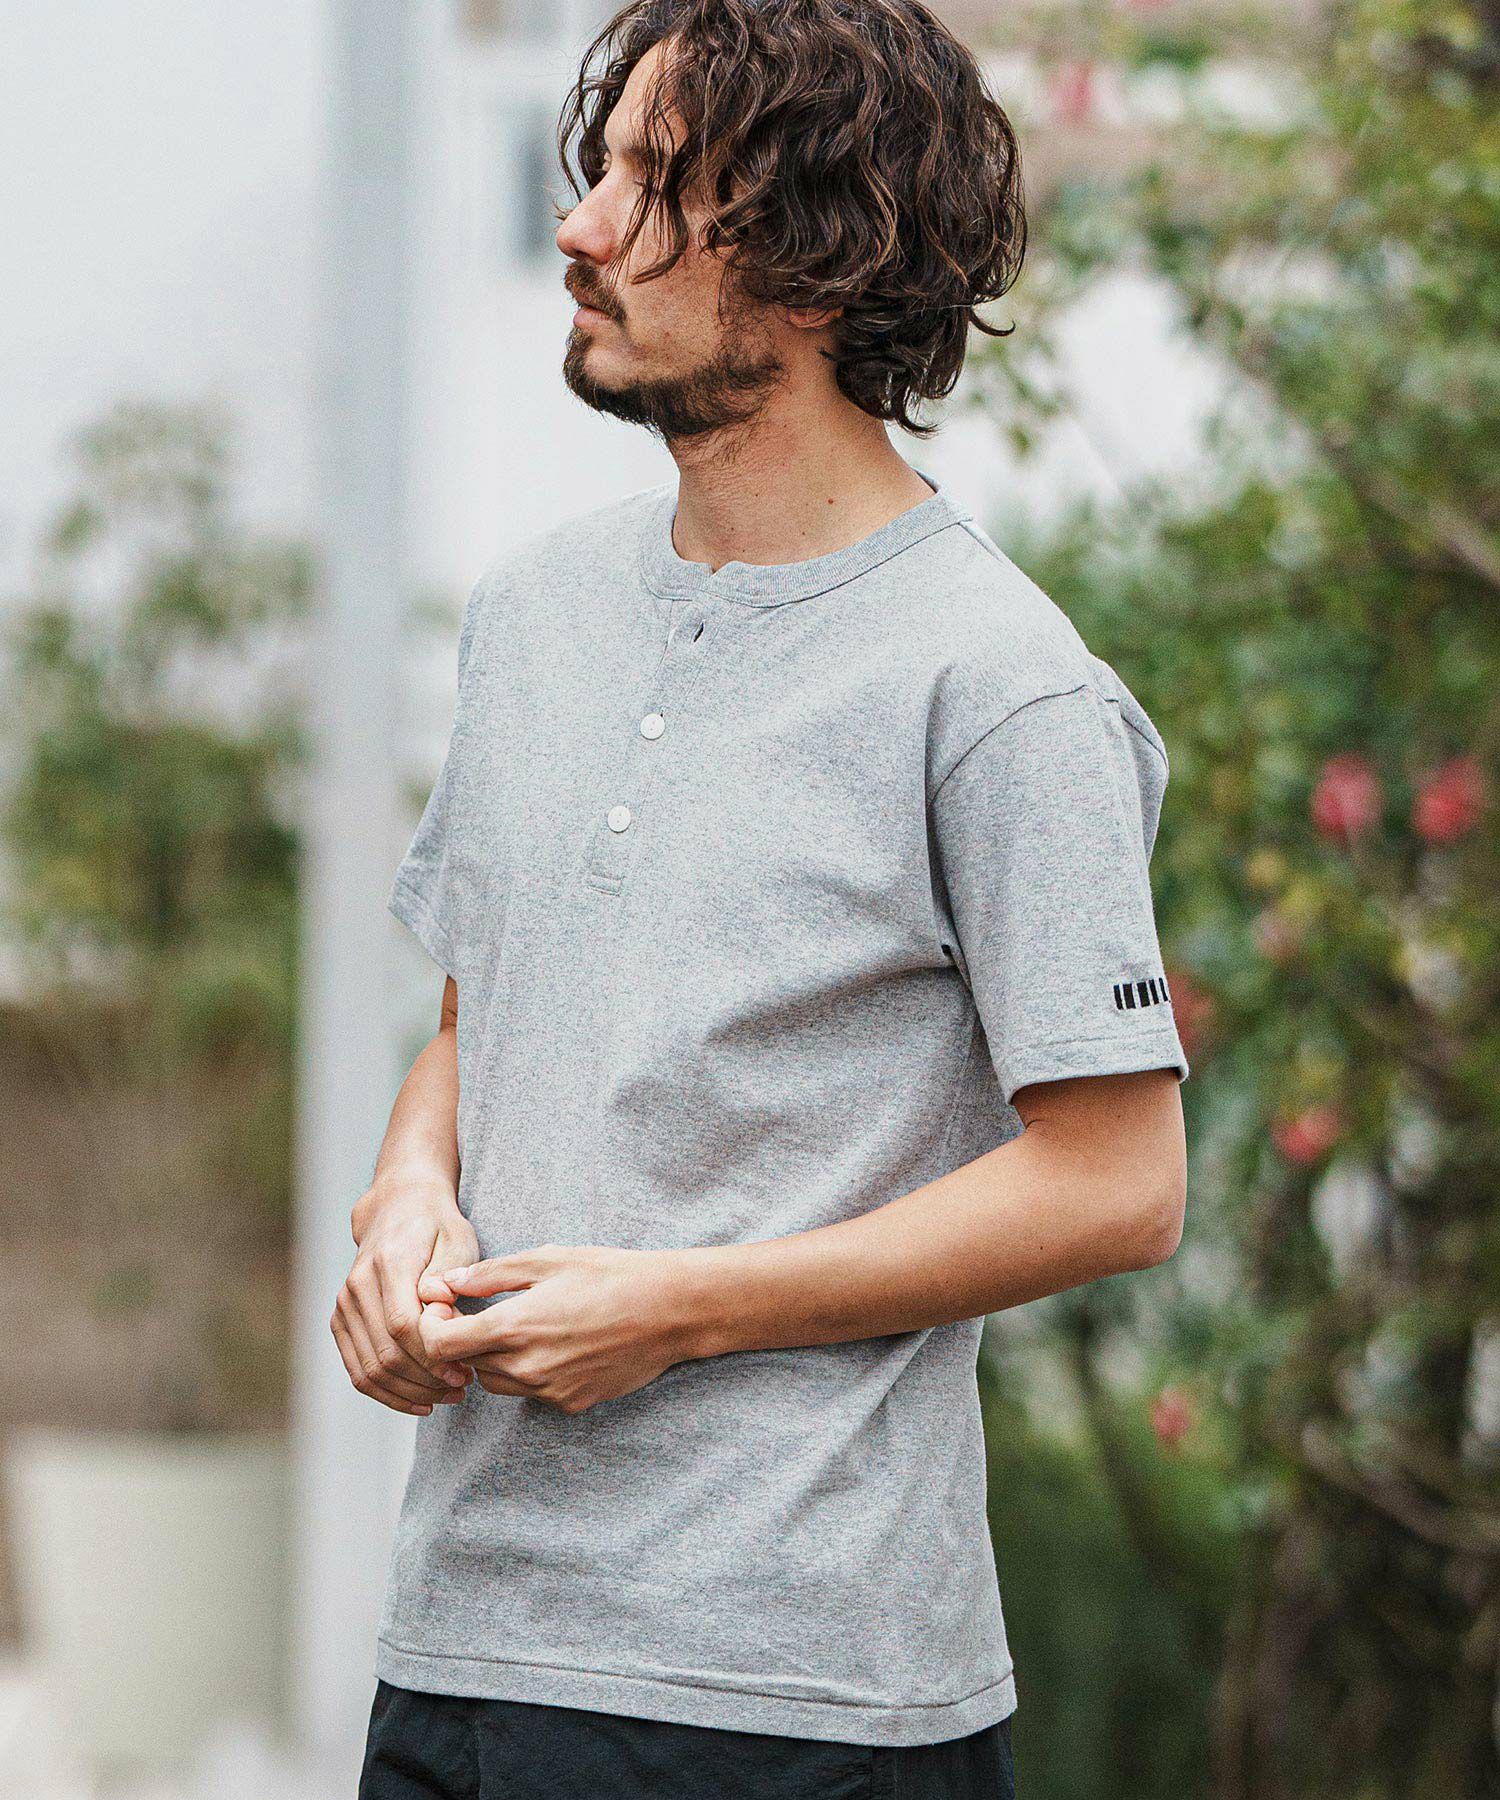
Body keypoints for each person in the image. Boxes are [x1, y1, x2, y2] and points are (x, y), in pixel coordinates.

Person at [337, 2, 1190, 1795]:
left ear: (821, 254)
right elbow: (482, 1017)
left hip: (793, 1703)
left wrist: (684, 1306)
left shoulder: (1001, 686)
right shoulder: (532, 615)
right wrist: (406, 1198)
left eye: (655, 184)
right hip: (456, 1651)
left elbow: (1119, 1183)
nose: (579, 225)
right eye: (600, 169)